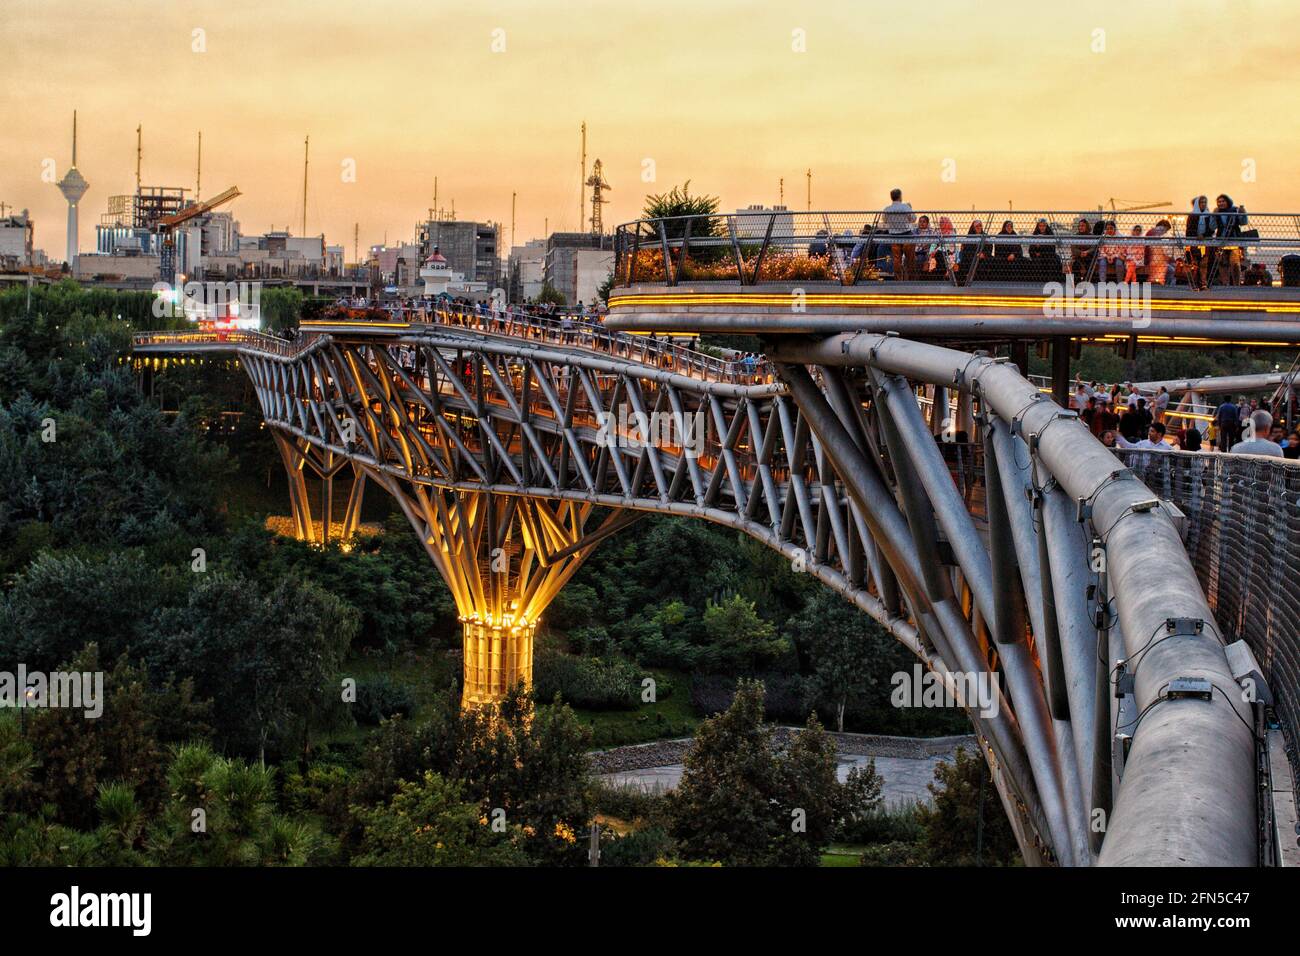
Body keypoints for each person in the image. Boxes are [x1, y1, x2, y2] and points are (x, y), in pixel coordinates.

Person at [1212, 194, 1249, 285]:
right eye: (1219, 202)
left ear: (1227, 201)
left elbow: (1243, 222)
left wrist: (1243, 213)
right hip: (1221, 241)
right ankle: (1225, 283)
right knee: (1223, 264)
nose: (1221, 203)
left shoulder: (1235, 210)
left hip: (1233, 240)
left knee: (1235, 264)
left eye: (1223, 201)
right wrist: (1213, 216)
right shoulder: (1217, 212)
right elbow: (1212, 226)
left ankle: (1236, 284)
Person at [883, 188, 917, 280]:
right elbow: (913, 219)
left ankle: (898, 279)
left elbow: (885, 221)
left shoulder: (887, 209)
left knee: (896, 260)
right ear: (900, 196)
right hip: (906, 235)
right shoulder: (905, 207)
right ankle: (910, 279)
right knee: (910, 260)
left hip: (894, 236)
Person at [1145, 219, 1176, 284]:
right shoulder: (1156, 234)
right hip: (1153, 260)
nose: (1165, 232)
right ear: (1163, 226)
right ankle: (1166, 285)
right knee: (1171, 270)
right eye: (1166, 230)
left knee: (1172, 265)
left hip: (1154, 259)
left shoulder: (1153, 233)